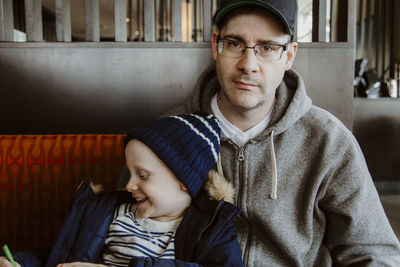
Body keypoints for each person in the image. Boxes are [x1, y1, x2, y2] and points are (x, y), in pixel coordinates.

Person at [118, 0, 400, 266]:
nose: (248, 64)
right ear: (216, 46)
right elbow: (118, 229)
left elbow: (373, 252)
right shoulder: (165, 136)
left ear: (289, 56)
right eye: (235, 43)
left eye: (267, 47)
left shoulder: (328, 141)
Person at [0, 113, 244, 267]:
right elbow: (58, 255)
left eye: (143, 175)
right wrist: (20, 263)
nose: (129, 185)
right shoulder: (108, 211)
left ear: (183, 180)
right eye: (129, 172)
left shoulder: (213, 229)